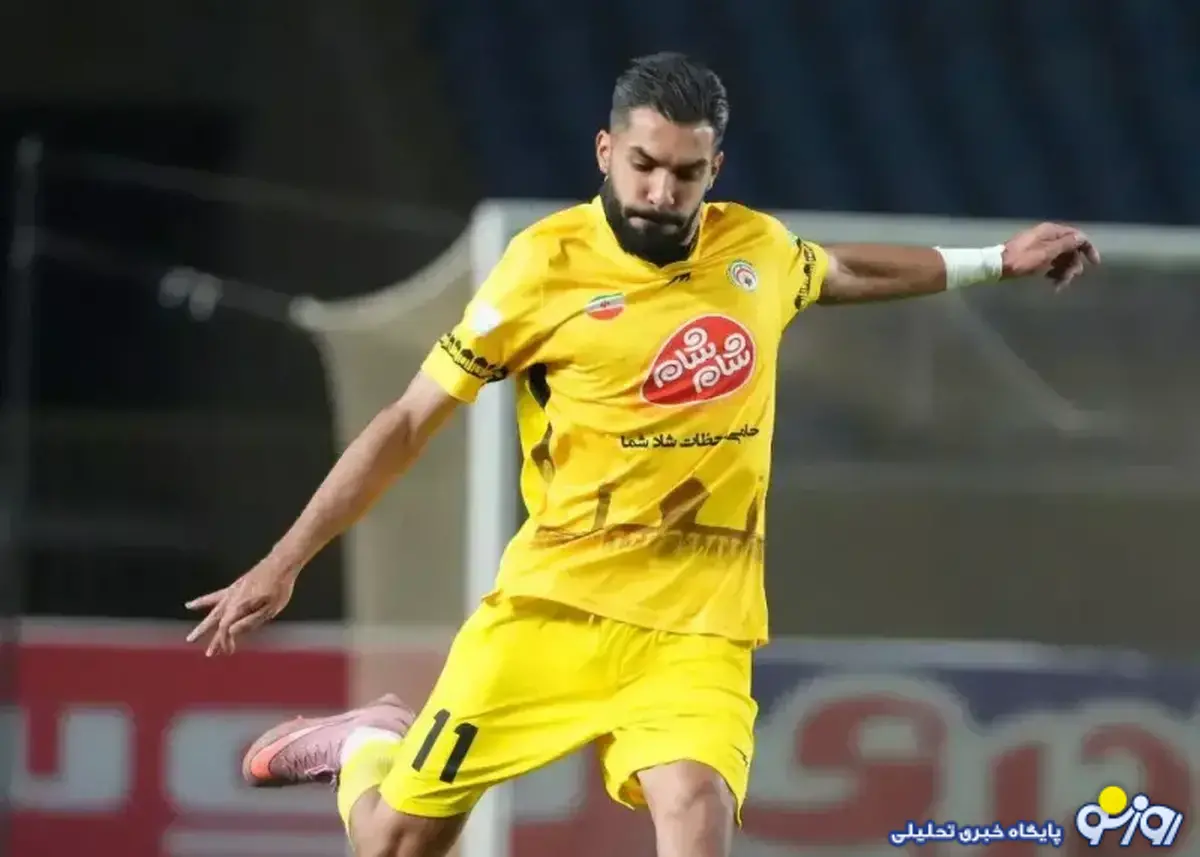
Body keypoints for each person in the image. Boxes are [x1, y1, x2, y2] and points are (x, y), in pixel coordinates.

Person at [184, 51, 1099, 857]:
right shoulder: (541, 267)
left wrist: (996, 259)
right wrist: (285, 558)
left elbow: (842, 270)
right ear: (605, 151)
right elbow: (409, 421)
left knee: (695, 806)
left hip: (698, 627)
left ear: (715, 168)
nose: (662, 192)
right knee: (393, 843)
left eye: (687, 173)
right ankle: (369, 744)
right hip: (553, 609)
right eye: (645, 165)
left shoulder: (755, 250)